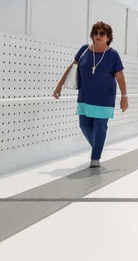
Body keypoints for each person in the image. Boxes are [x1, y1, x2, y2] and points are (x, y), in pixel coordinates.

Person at [53, 21, 128, 168]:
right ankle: (98, 145)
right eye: (95, 33)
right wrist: (59, 85)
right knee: (84, 125)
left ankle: (95, 157)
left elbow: (120, 77)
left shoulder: (113, 55)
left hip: (105, 98)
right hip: (85, 97)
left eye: (102, 34)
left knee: (100, 126)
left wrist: (124, 97)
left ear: (108, 37)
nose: (98, 36)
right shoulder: (84, 50)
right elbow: (72, 68)